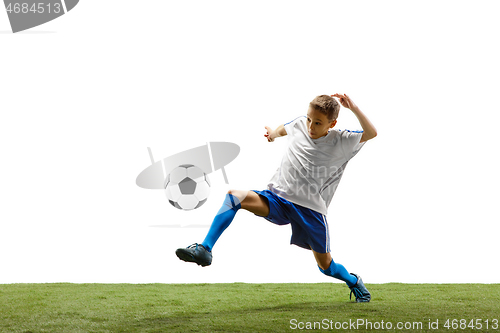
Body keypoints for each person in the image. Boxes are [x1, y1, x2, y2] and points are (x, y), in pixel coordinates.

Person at [176, 93, 377, 302]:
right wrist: (272, 134)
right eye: (309, 119)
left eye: (318, 123)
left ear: (332, 123)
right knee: (234, 196)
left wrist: (352, 107)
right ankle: (205, 249)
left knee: (326, 267)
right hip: (278, 198)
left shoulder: (342, 141)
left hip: (311, 210)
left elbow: (371, 133)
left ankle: (353, 281)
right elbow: (285, 128)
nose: (310, 126)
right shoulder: (300, 124)